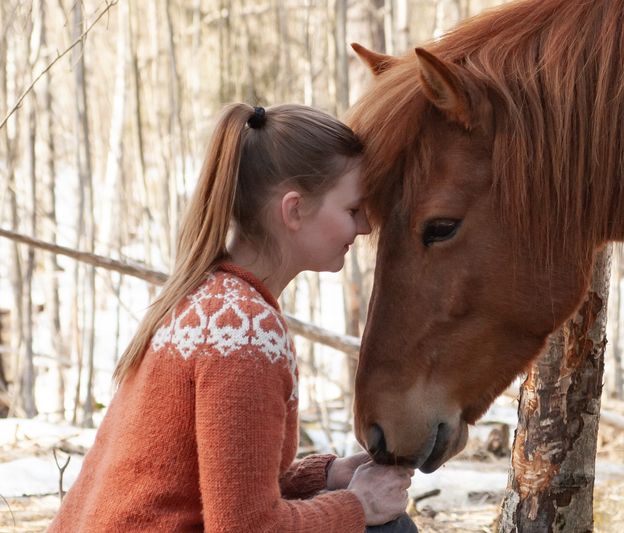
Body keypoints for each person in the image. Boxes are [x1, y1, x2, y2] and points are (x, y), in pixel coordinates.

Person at [49, 103, 418, 533]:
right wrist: (357, 506)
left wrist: (329, 476)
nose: (366, 227)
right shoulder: (242, 330)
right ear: (294, 210)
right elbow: (245, 527)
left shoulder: (210, 302)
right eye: (353, 210)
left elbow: (222, 484)